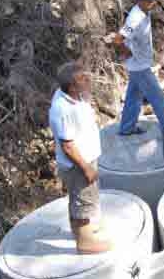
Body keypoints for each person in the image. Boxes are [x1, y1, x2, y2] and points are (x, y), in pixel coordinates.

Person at [49, 61, 112, 254]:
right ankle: (85, 243)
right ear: (71, 86)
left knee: (79, 199)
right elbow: (67, 145)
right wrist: (86, 167)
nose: (87, 79)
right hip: (77, 163)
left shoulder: (74, 96)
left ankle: (82, 231)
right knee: (83, 201)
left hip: (84, 157)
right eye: (82, 79)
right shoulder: (63, 109)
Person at [113, 0, 164, 138]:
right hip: (140, 67)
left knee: (133, 97)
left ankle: (126, 128)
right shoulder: (135, 19)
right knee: (157, 98)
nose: (154, 3)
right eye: (151, 1)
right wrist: (128, 52)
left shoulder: (145, 11)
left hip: (139, 64)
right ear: (141, 2)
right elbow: (118, 39)